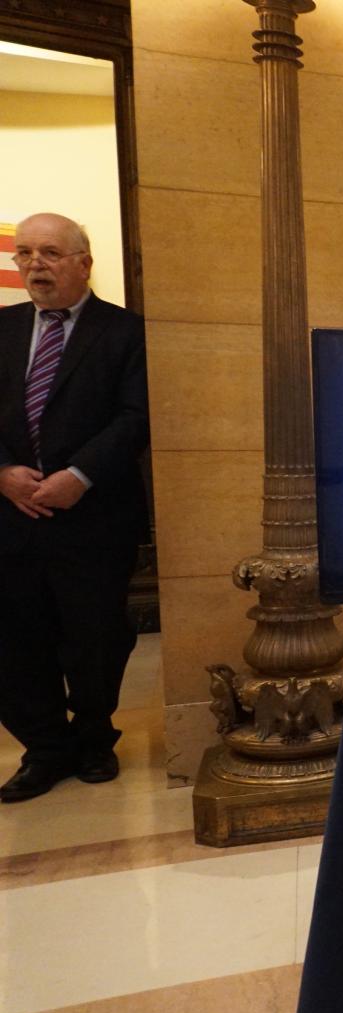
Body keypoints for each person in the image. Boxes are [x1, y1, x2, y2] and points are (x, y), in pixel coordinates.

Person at [0, 212, 150, 803]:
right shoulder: (2, 330)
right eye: (26, 253)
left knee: (96, 639)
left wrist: (79, 476)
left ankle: (93, 740)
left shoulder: (125, 332)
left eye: (51, 253)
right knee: (14, 640)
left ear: (84, 263)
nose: (36, 264)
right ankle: (45, 749)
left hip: (94, 517)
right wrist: (4, 475)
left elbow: (137, 416)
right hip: (10, 519)